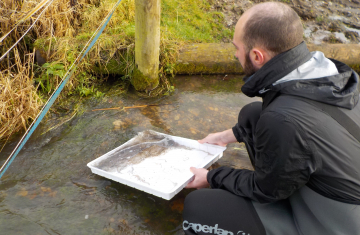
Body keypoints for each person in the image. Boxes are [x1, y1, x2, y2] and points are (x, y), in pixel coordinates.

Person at [182, 2, 360, 235]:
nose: (235, 54)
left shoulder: (283, 118)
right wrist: (227, 136)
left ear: (257, 55)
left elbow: (266, 189)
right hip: (333, 182)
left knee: (199, 208)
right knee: (253, 114)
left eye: (237, 48)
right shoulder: (331, 75)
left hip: (336, 222)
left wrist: (212, 177)